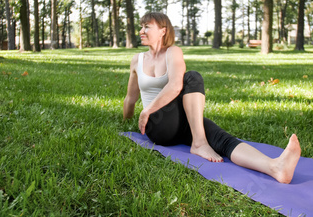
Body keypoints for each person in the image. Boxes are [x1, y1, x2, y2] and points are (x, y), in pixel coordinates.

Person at [123, 12, 301, 184]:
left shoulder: (173, 52)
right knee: (192, 77)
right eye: (141, 27)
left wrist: (146, 109)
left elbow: (176, 85)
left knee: (223, 140)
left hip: (182, 122)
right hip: (158, 126)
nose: (141, 31)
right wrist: (128, 120)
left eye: (147, 27)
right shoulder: (137, 60)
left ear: (163, 30)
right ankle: (199, 143)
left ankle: (275, 167)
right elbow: (131, 98)